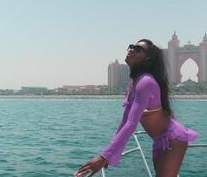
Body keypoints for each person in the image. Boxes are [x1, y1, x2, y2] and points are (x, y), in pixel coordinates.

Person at [75, 39, 198, 177]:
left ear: (148, 58)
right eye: (131, 47)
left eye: (138, 49)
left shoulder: (146, 82)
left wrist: (104, 157)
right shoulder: (135, 83)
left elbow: (131, 123)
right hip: (159, 140)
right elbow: (124, 122)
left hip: (174, 140)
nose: (132, 50)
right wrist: (109, 153)